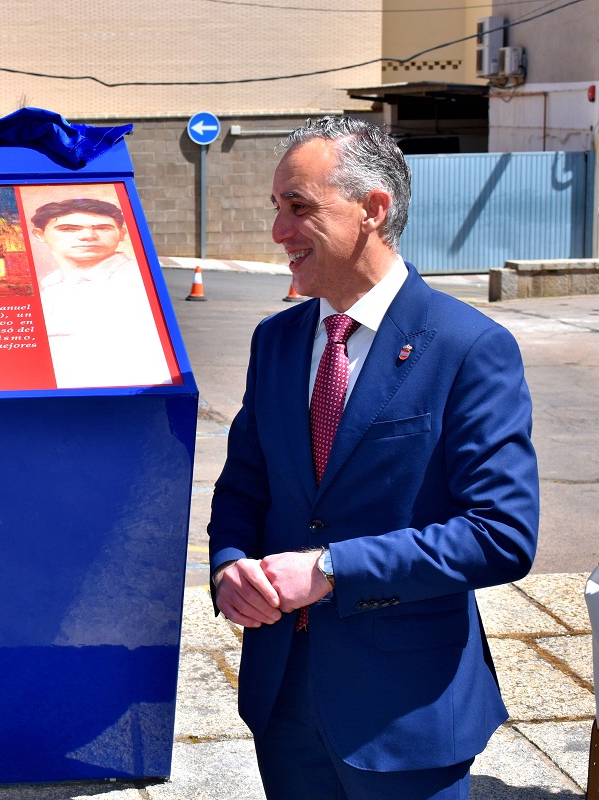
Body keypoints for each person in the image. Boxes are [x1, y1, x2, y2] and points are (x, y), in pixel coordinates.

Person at [208, 115, 539, 799]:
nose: (277, 232)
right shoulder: (276, 342)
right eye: (277, 207)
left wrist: (331, 570)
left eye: (298, 207)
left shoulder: (468, 347)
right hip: (284, 698)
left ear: (372, 210)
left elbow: (502, 534)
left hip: (406, 712)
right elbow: (245, 487)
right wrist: (229, 566)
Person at [30, 198, 172, 388]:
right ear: (39, 235)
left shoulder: (138, 281)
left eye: (103, 228)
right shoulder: (48, 286)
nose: (88, 236)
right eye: (69, 229)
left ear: (122, 233)